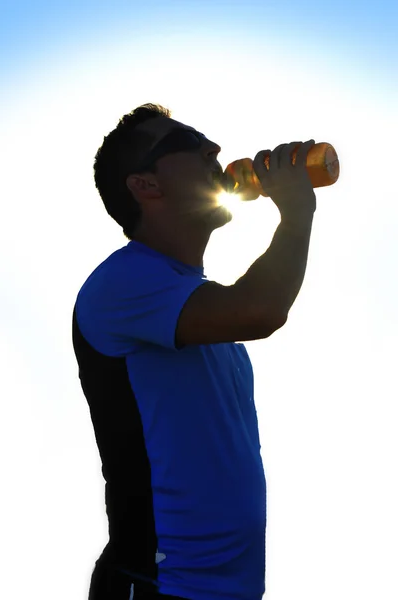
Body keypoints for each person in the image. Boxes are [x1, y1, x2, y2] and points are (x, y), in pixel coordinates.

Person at [72, 103, 316, 600]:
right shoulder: (122, 283)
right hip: (161, 587)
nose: (215, 150)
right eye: (188, 142)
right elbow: (260, 310)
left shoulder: (197, 305)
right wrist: (296, 212)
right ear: (146, 186)